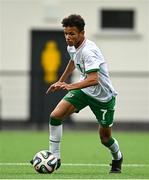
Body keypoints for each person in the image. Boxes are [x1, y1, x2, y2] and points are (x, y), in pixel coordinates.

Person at [40, 14, 123, 173]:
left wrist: (71, 86)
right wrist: (60, 81)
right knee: (55, 116)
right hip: (84, 91)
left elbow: (94, 79)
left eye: (72, 34)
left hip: (103, 98)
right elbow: (72, 62)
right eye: (66, 33)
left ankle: (117, 157)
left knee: (105, 139)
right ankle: (54, 157)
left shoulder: (89, 51)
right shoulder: (72, 46)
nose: (68, 37)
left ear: (82, 33)